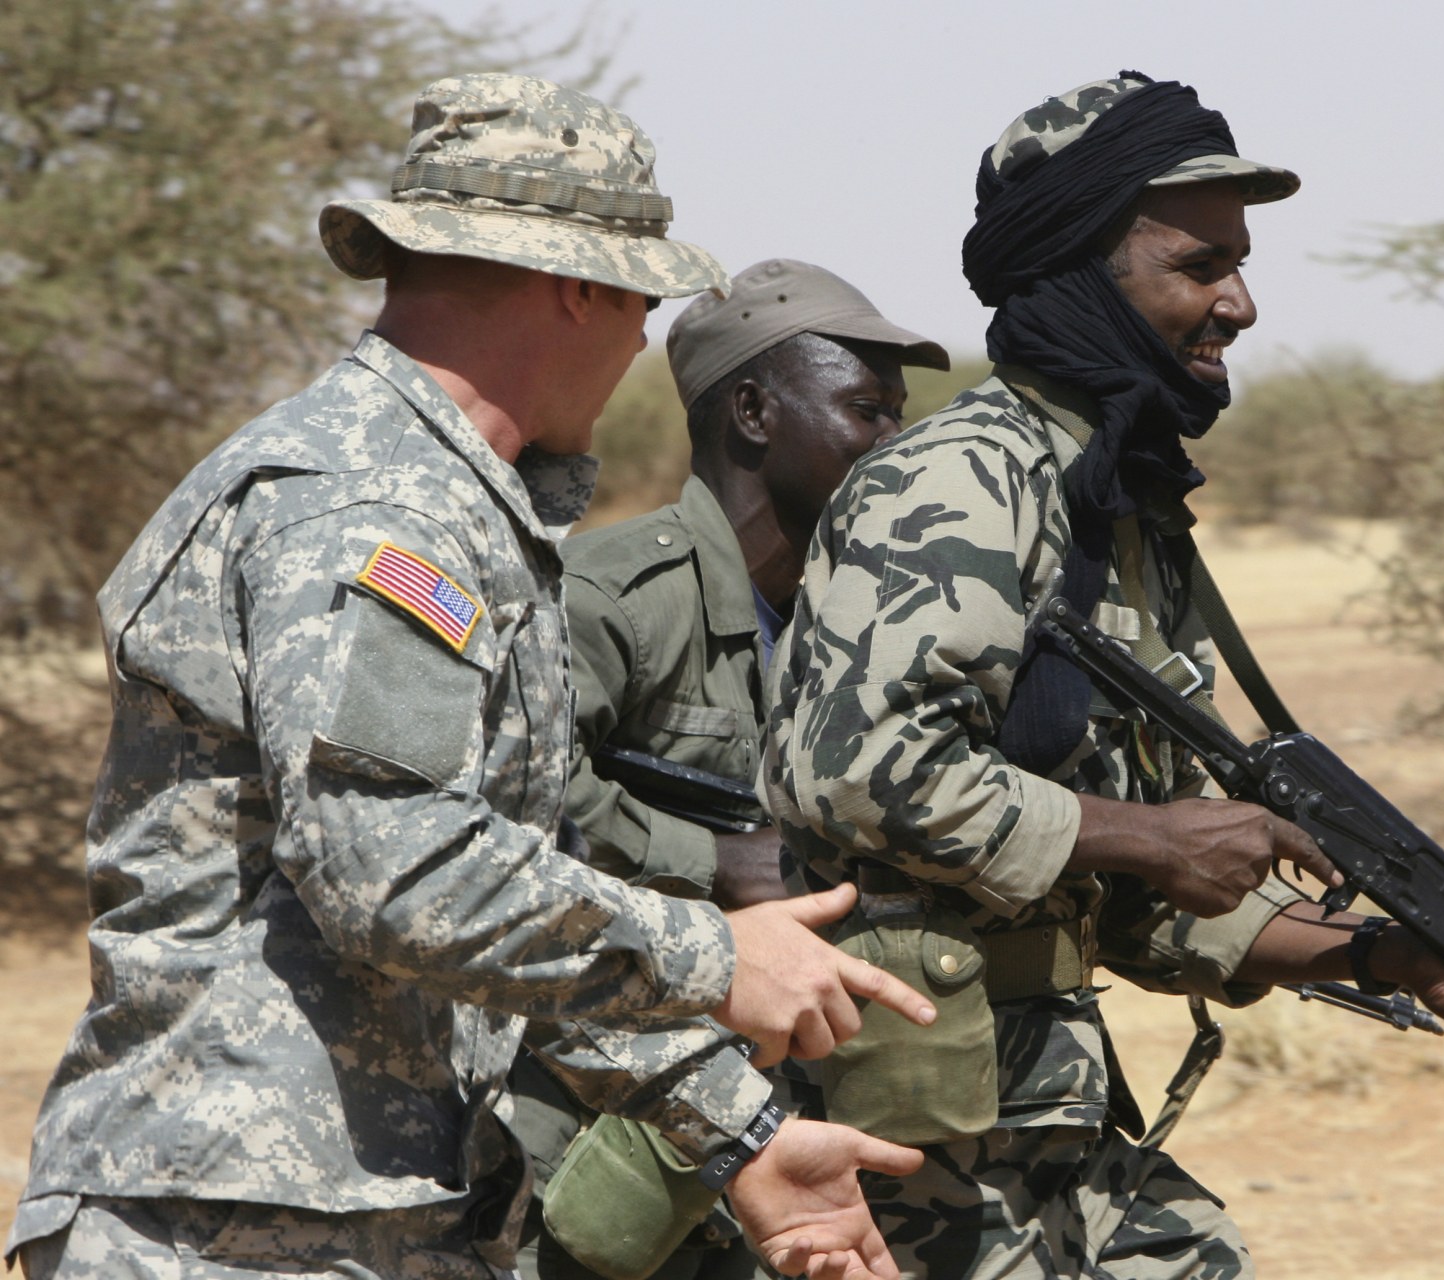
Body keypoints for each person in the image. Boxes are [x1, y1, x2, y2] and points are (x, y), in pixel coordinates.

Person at [4, 74, 932, 1280]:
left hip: (359, 1220)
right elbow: (393, 869)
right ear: (577, 284)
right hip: (239, 1231)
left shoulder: (453, 505)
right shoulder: (373, 505)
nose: (641, 341)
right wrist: (715, 956)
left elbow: (480, 914)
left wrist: (740, 1131)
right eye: (639, 300)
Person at [763, 72, 1444, 1279]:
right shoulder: (956, 484)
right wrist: (1152, 838)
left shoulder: (1117, 506)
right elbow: (848, 770)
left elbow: (1149, 892)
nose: (1241, 303)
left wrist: (1388, 956)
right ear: (1084, 270)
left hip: (1037, 1109)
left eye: (1238, 265)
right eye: (1200, 267)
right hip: (894, 1131)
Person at [514, 259, 949, 1279]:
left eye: (901, 414)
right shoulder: (610, 596)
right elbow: (512, 798)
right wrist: (712, 859)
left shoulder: (857, 622)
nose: (895, 445)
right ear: (754, 410)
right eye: (866, 410)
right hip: (600, 1121)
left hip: (786, 1122)